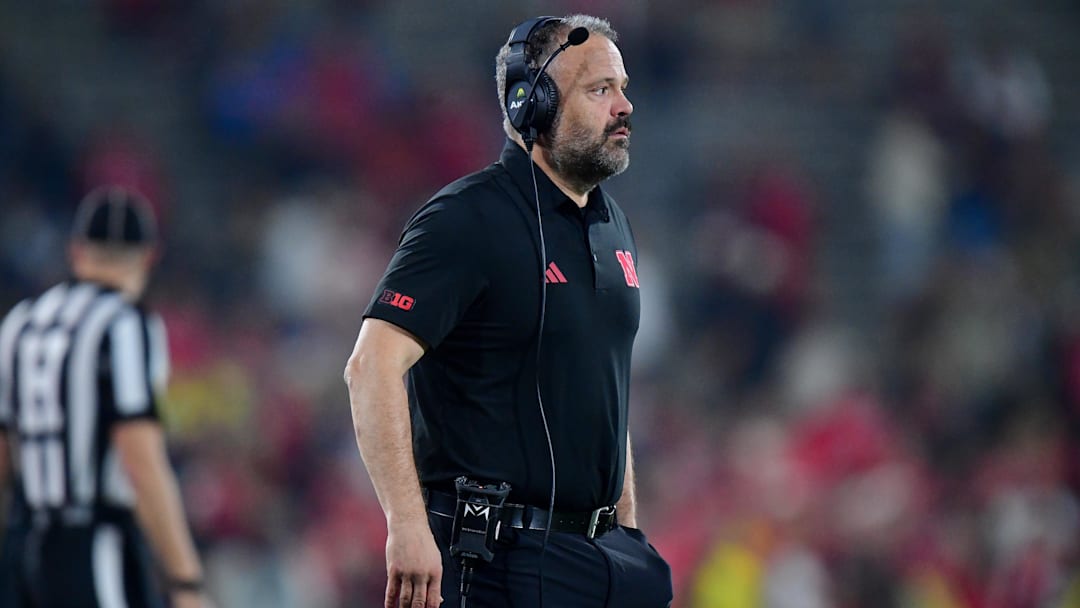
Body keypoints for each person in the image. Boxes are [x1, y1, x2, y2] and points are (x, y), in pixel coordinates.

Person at [345, 14, 673, 608]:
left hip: (602, 561)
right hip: (497, 563)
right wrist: (407, 525)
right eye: (600, 89)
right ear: (534, 105)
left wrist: (625, 529)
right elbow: (371, 366)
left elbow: (603, 389)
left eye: (623, 88)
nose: (624, 106)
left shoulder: (613, 224)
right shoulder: (465, 219)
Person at [0, 186, 211, 608]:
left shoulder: (20, 323)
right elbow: (141, 459)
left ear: (76, 251)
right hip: (94, 544)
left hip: (23, 547)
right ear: (149, 257)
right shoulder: (125, 324)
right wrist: (186, 581)